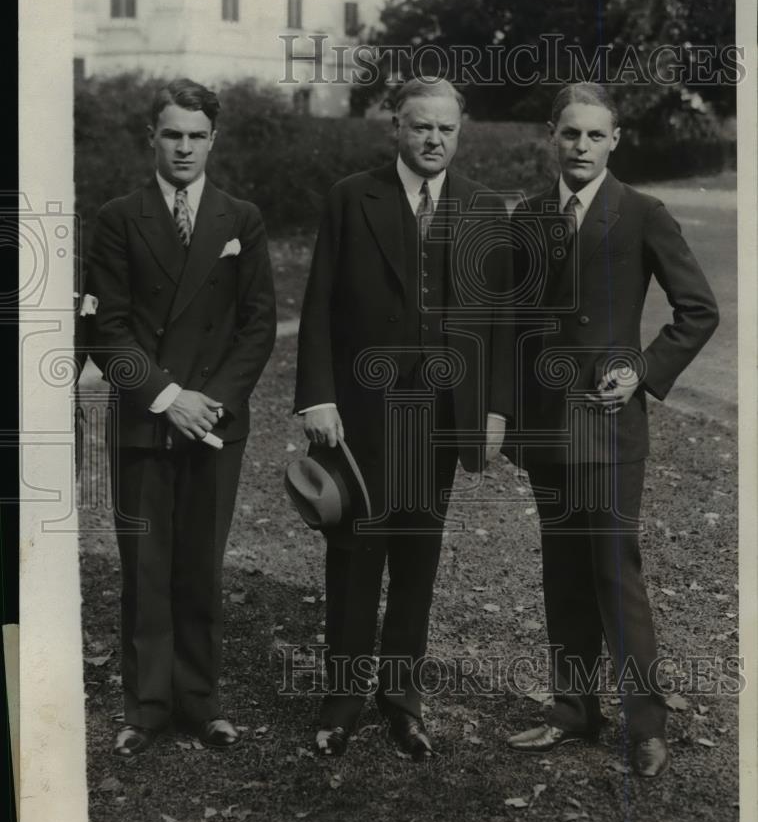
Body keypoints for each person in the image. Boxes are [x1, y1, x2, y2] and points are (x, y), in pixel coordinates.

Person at [294, 77, 513, 759]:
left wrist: (495, 408)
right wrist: (318, 397)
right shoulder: (351, 197)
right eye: (421, 126)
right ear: (396, 126)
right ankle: (341, 701)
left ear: (460, 131)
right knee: (355, 555)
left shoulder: (483, 207)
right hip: (361, 414)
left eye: (446, 129)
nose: (434, 140)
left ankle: (402, 701)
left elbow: (500, 321)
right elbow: (319, 304)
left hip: (442, 417)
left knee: (418, 559)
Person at [505, 82, 719, 778]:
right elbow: (511, 322)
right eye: (571, 133)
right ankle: (573, 710)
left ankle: (646, 724)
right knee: (563, 570)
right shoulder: (529, 215)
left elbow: (698, 309)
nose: (582, 146)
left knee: (612, 571)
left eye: (596, 135)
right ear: (552, 135)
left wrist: (642, 369)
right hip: (545, 424)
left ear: (615, 141)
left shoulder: (642, 213)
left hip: (607, 423)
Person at [87, 78, 276, 757]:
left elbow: (257, 326)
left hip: (215, 422)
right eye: (173, 134)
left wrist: (208, 402)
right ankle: (146, 707)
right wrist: (170, 397)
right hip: (145, 419)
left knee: (200, 563)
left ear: (213, 140)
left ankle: (201, 700)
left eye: (197, 136)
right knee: (145, 565)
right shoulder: (118, 217)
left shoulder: (240, 219)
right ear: (152, 138)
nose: (185, 148)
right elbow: (106, 330)